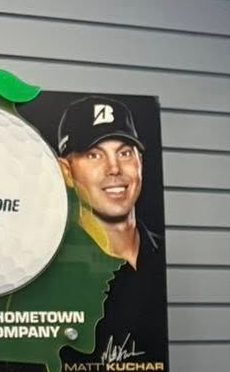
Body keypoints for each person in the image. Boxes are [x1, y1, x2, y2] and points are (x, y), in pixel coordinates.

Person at [56, 97, 161, 354]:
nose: (114, 168)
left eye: (125, 153)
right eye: (94, 154)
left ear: (140, 162)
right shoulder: (51, 277)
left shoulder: (163, 257)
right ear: (66, 171)